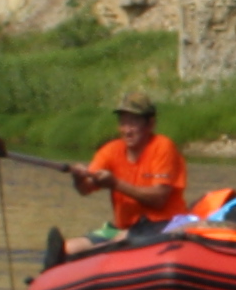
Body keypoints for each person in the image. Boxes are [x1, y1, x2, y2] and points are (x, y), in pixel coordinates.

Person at [72, 95, 187, 235]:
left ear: (150, 124)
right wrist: (78, 178)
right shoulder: (110, 151)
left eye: (134, 122)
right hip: (127, 229)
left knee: (123, 238)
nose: (127, 130)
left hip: (165, 225)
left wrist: (115, 184)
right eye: (123, 122)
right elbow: (85, 189)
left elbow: (159, 199)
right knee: (71, 247)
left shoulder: (163, 147)